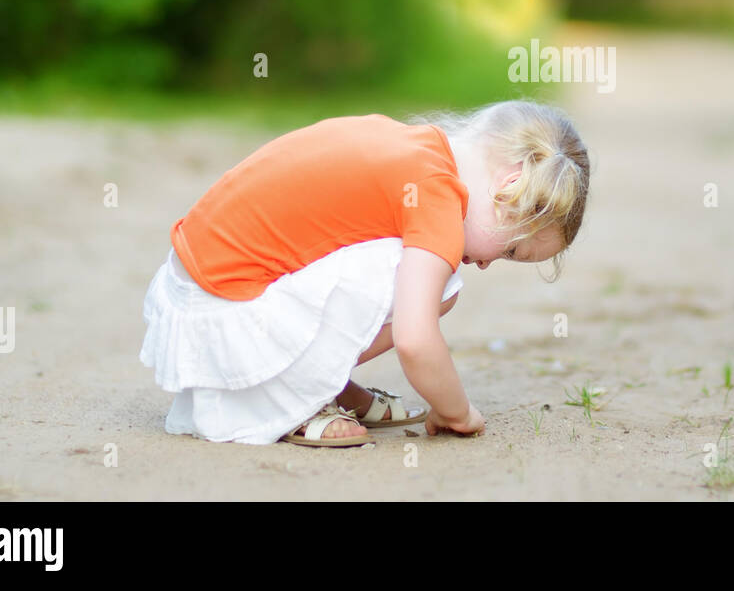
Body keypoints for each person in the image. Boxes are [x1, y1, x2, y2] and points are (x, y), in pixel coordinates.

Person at [139, 99, 590, 445]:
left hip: (196, 284)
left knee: (422, 270)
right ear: (510, 187)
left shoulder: (411, 146)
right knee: (443, 284)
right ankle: (293, 396)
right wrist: (457, 411)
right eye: (512, 249)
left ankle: (326, 382)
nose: (491, 264)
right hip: (225, 305)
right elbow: (416, 340)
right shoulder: (436, 196)